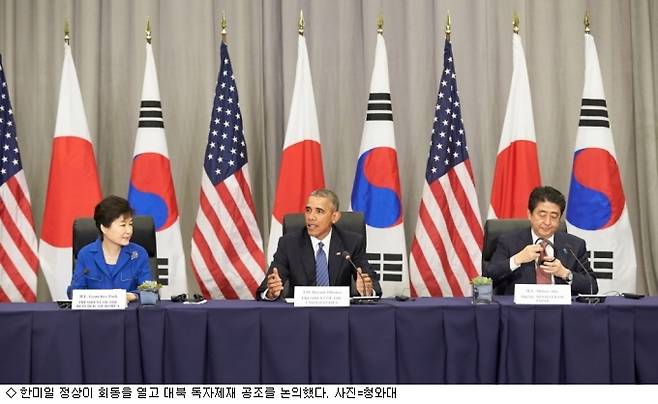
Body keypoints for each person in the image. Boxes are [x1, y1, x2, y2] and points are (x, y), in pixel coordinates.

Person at [256, 188, 382, 300]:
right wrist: (271, 292)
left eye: (319, 211)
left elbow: (372, 284)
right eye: (308, 210)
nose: (311, 217)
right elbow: (266, 288)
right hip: (301, 315)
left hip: (339, 314)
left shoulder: (351, 242)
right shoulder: (289, 244)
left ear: (334, 217)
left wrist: (368, 290)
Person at [485, 186, 598, 295]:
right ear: (530, 215)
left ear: (559, 219)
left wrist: (565, 273)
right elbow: (486, 279)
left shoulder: (574, 245)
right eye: (542, 215)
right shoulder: (509, 242)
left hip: (560, 307)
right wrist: (517, 260)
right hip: (521, 307)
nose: (547, 222)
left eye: (554, 216)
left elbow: (592, 287)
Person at [67, 195, 153, 301]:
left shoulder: (138, 254)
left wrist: (130, 296)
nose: (129, 230)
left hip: (129, 311)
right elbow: (74, 293)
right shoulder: (86, 255)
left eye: (130, 224)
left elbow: (150, 292)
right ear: (104, 228)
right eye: (123, 225)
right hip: (95, 312)